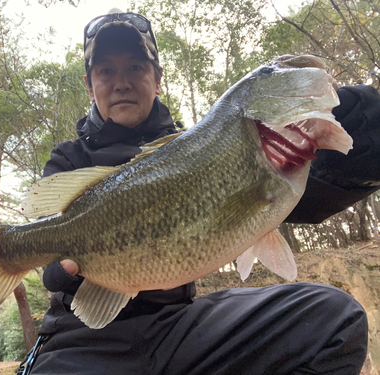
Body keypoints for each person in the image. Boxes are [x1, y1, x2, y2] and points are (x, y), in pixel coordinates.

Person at [21, 9, 380, 375]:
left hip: (179, 330)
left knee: (334, 319)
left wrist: (364, 133)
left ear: (157, 79)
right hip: (81, 340)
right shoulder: (68, 158)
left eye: (135, 68)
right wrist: (54, 270)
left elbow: (311, 191)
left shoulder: (213, 143)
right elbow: (48, 241)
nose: (121, 82)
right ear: (90, 84)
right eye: (106, 71)